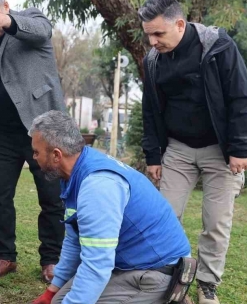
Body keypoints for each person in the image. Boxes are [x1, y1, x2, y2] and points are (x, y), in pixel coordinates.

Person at [139, 0, 247, 304]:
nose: (152, 41)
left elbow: (241, 99)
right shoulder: (153, 61)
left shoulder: (217, 46)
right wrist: (153, 155)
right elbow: (149, 111)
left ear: (180, 24)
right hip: (177, 149)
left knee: (216, 223)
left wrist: (240, 148)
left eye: (158, 34)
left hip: (221, 150)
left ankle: (207, 285)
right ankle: (165, 280)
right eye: (148, 34)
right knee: (162, 217)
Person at [29, 110, 191, 304]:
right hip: (128, 264)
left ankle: (166, 297)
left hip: (158, 272)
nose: (34, 157)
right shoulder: (77, 171)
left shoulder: (97, 186)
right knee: (59, 300)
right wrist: (51, 292)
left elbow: (97, 265)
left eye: (36, 152)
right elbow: (75, 239)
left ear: (56, 155)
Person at [0, 0, 65, 283]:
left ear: (5, 5)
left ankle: (51, 260)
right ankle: (5, 256)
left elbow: (43, 30)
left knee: (51, 198)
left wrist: (6, 22)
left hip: (41, 130)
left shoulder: (29, 20)